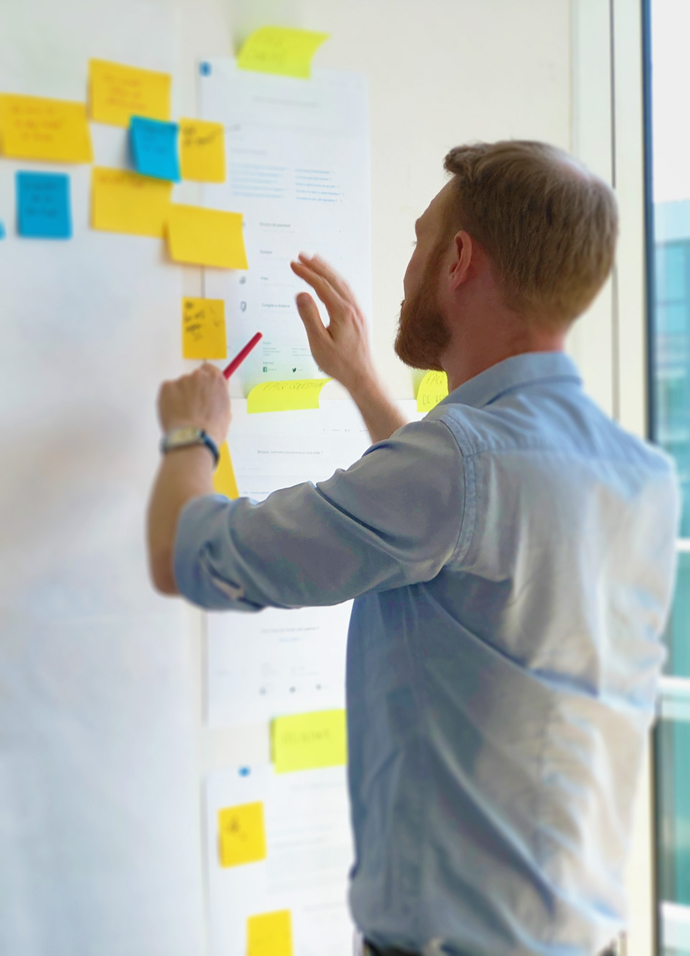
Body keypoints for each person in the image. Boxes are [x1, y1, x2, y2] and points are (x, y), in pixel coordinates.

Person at [147, 141, 678, 956]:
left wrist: (192, 433)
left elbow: (193, 556)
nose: (407, 268)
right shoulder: (641, 477)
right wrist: (362, 381)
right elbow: (464, 526)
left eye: (420, 238)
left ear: (458, 259)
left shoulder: (457, 467)